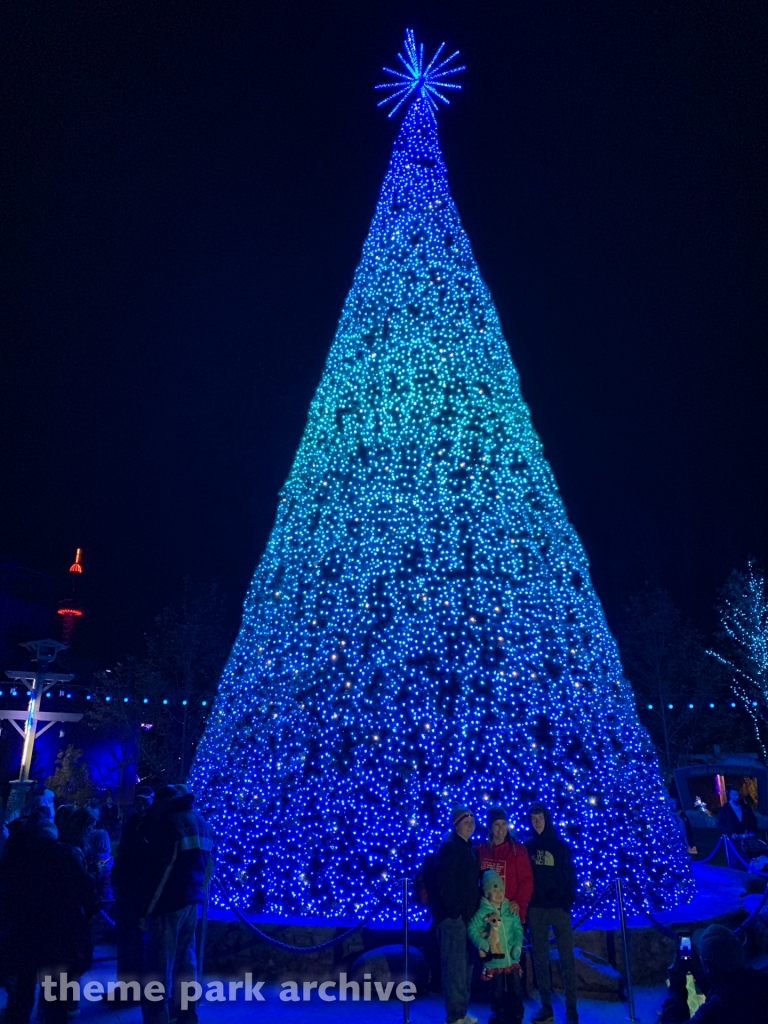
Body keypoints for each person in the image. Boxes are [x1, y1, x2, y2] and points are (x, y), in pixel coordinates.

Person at [0, 809, 97, 1024]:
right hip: (59, 939)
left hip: (23, 935)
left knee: (20, 998)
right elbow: (89, 893)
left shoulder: (16, 858)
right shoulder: (65, 854)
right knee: (55, 1003)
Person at [140, 785, 214, 1024]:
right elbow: (209, 866)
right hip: (191, 902)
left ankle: (157, 1018)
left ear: (164, 802)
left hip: (167, 903)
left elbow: (160, 870)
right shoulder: (200, 821)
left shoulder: (170, 822)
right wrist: (199, 893)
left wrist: (148, 909)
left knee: (158, 967)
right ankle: (187, 1013)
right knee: (186, 959)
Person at [524, 804, 579, 1024]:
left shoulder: (560, 847)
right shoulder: (527, 847)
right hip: (537, 910)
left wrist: (566, 901)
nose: (537, 822)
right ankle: (547, 1007)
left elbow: (569, 875)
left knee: (567, 960)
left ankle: (572, 1009)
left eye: (540, 818)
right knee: (540, 960)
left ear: (547, 819)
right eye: (533, 818)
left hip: (558, 910)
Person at [660, 923, 768, 1022]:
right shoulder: (762, 980)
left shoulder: (712, 1012)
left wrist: (675, 988)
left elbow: (724, 1002)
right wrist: (700, 972)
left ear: (707, 965)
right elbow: (732, 988)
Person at [433, 806, 481, 1024]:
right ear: (456, 823)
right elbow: (446, 884)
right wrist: (455, 913)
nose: (470, 823)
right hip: (455, 920)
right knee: (454, 968)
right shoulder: (450, 847)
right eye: (465, 820)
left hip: (467, 918)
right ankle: (454, 1016)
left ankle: (461, 1011)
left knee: (465, 967)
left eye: (472, 819)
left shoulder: (466, 846)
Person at [111, 786, 154, 996]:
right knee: (126, 940)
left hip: (140, 890)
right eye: (138, 801)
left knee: (137, 941)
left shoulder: (153, 824)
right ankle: (125, 985)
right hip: (127, 888)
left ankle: (135, 988)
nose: (141, 805)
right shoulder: (132, 823)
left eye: (145, 801)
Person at [468, 870, 524, 1024]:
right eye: (494, 890)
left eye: (500, 889)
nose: (499, 893)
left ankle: (517, 1014)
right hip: (494, 961)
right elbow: (472, 929)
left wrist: (518, 944)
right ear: (487, 893)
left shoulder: (510, 909)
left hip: (512, 958)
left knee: (516, 989)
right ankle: (498, 1014)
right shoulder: (482, 913)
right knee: (497, 991)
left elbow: (518, 929)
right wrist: (483, 944)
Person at [476, 807, 533, 923]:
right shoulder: (481, 850)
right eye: (497, 824)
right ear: (490, 827)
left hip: (510, 914)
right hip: (486, 914)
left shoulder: (517, 851)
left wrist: (518, 902)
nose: (501, 828)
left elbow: (526, 881)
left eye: (504, 824)